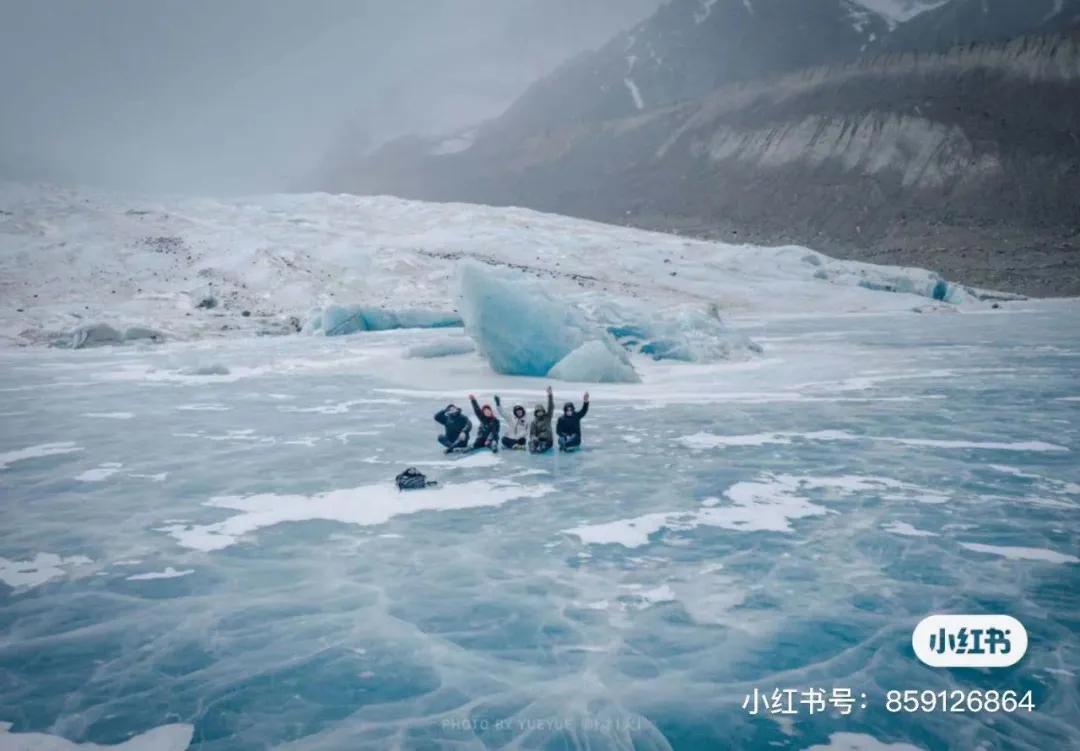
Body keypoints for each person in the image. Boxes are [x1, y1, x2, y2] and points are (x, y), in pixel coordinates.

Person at [528, 386, 555, 454]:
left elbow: (550, 406)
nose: (540, 413)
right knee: (532, 443)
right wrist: (533, 437)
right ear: (536, 413)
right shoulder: (534, 422)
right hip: (539, 439)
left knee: (543, 447)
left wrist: (550, 395)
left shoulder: (547, 417)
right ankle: (534, 448)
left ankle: (542, 447)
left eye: (541, 411)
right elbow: (532, 434)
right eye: (538, 411)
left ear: (543, 411)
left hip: (548, 440)